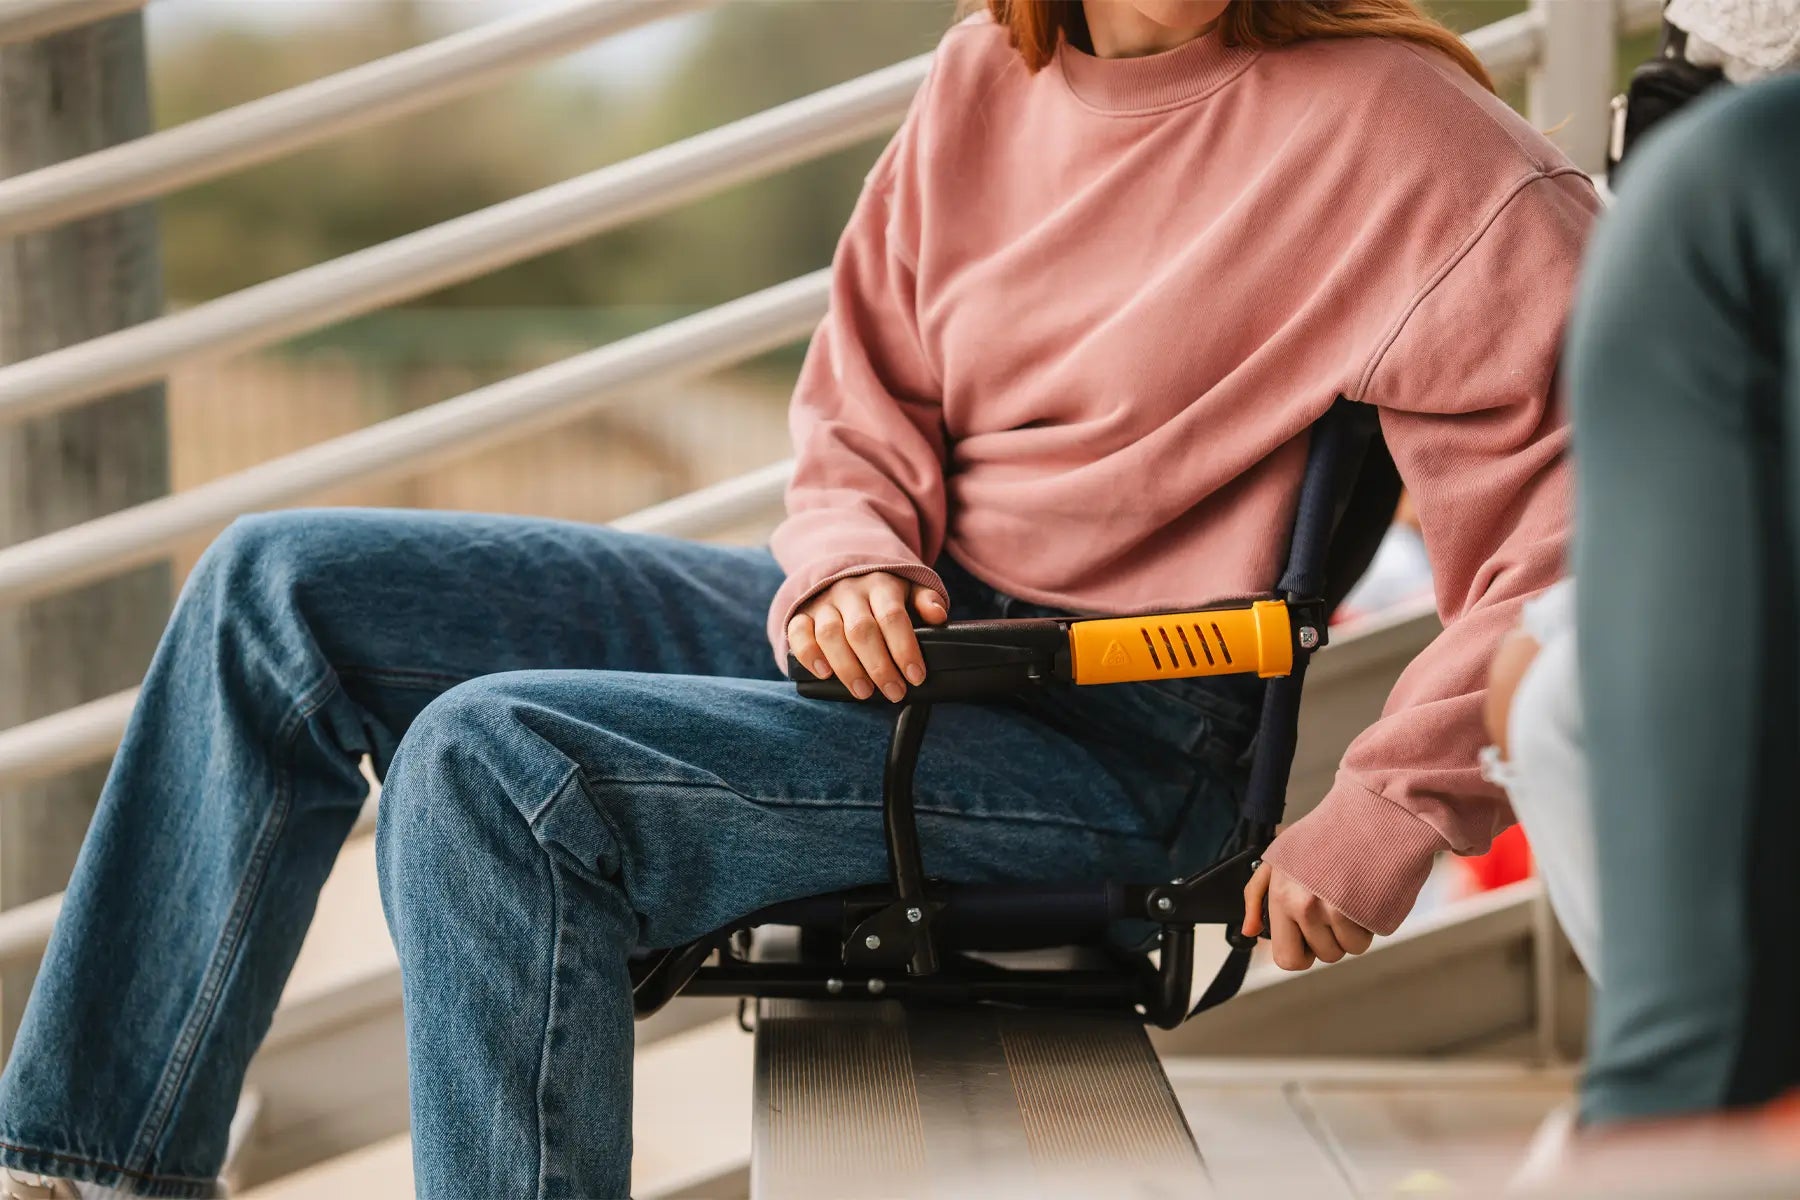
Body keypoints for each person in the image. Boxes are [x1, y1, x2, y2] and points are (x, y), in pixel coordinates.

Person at [0, 3, 1597, 1197]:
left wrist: (1395, 802)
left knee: (504, 764)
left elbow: (1599, 517)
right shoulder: (993, 74)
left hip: (1104, 737)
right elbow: (862, 404)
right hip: (904, 644)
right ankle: (92, 1171)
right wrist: (850, 558)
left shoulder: (1411, 141)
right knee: (279, 587)